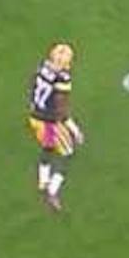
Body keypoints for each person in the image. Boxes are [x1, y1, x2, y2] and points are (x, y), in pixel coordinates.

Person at [28, 43, 82, 212]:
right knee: (68, 153)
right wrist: (73, 127)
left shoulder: (41, 68)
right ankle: (52, 191)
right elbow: (60, 108)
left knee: (49, 146)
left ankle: (42, 180)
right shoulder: (62, 78)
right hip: (49, 122)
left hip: (35, 117)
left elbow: (33, 88)